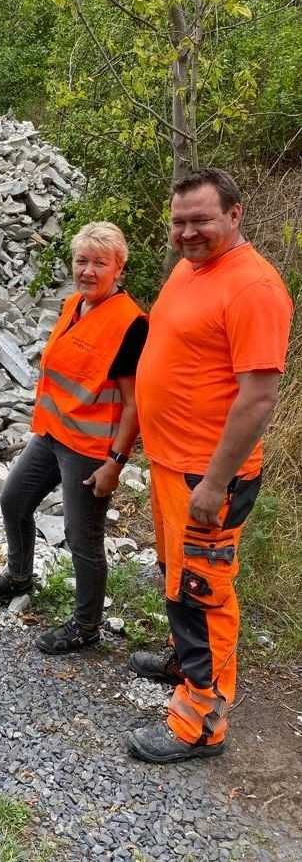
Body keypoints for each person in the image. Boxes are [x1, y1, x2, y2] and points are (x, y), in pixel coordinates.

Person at [128, 168, 293, 764]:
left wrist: (216, 482)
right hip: (172, 464)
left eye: (201, 220)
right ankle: (183, 664)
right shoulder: (190, 269)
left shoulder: (253, 288)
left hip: (208, 475)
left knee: (204, 592)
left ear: (234, 215)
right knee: (178, 576)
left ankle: (202, 721)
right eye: (179, 222)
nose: (188, 233)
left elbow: (258, 397)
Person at [0, 222, 148, 655]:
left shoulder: (130, 324)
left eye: (99, 263)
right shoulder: (75, 304)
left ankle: (86, 627)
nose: (88, 270)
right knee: (14, 500)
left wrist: (115, 463)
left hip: (90, 450)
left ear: (119, 268)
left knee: (81, 535)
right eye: (81, 261)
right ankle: (18, 578)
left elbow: (134, 404)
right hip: (53, 435)